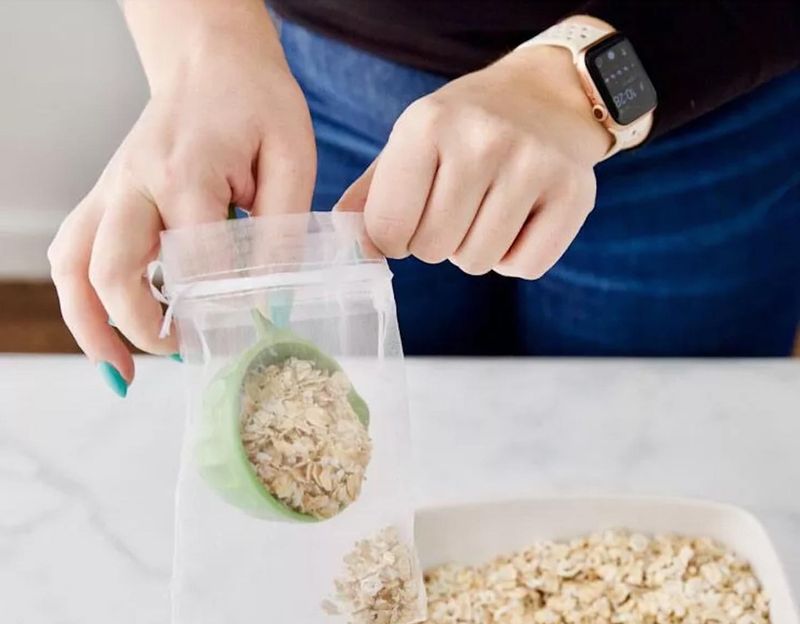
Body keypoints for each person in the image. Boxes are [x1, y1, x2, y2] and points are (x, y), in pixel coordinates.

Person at [49, 0, 800, 397]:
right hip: (318, 96)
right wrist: (202, 42)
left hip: (705, 111)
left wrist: (588, 82)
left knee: (650, 477)